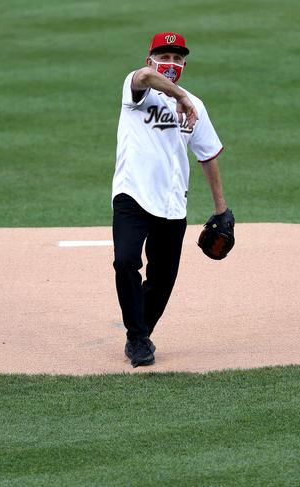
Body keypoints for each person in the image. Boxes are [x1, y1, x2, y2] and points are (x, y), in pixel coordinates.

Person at [111, 32, 229, 367]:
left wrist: (222, 209)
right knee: (125, 261)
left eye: (177, 59)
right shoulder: (137, 90)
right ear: (150, 60)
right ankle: (137, 338)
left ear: (185, 65)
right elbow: (147, 78)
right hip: (132, 195)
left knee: (162, 279)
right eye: (165, 57)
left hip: (173, 203)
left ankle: (140, 332)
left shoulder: (196, 107)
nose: (171, 64)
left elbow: (208, 156)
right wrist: (179, 96)